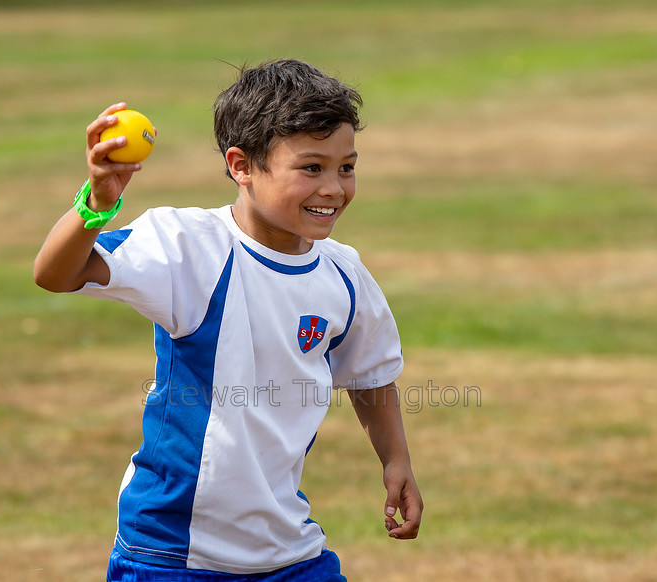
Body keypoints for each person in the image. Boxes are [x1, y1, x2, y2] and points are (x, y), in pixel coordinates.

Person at [34, 58, 422, 581]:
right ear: (241, 166)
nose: (333, 187)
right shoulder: (188, 247)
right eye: (311, 168)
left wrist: (395, 460)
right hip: (172, 552)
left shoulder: (344, 274)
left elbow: (370, 374)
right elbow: (57, 273)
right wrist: (97, 204)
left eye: (345, 167)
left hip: (287, 549)